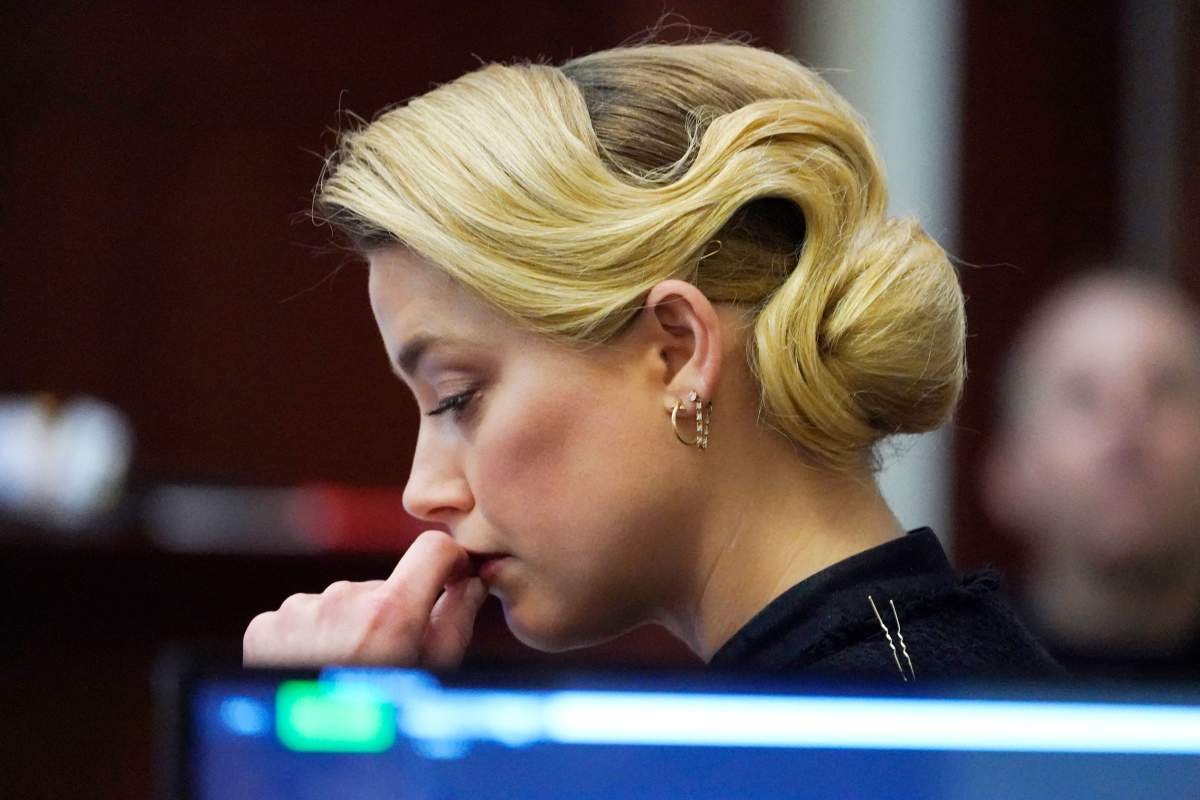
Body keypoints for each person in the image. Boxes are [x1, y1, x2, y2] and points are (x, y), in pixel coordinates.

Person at [243, 41, 1060, 679]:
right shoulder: (913, 684)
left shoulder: (860, 744)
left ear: (678, 352)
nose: (425, 493)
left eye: (458, 397)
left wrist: (320, 764)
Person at [983, 270, 1200, 679]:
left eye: (1166, 390)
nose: (1126, 431)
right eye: (1083, 396)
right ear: (1008, 470)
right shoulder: (933, 683)